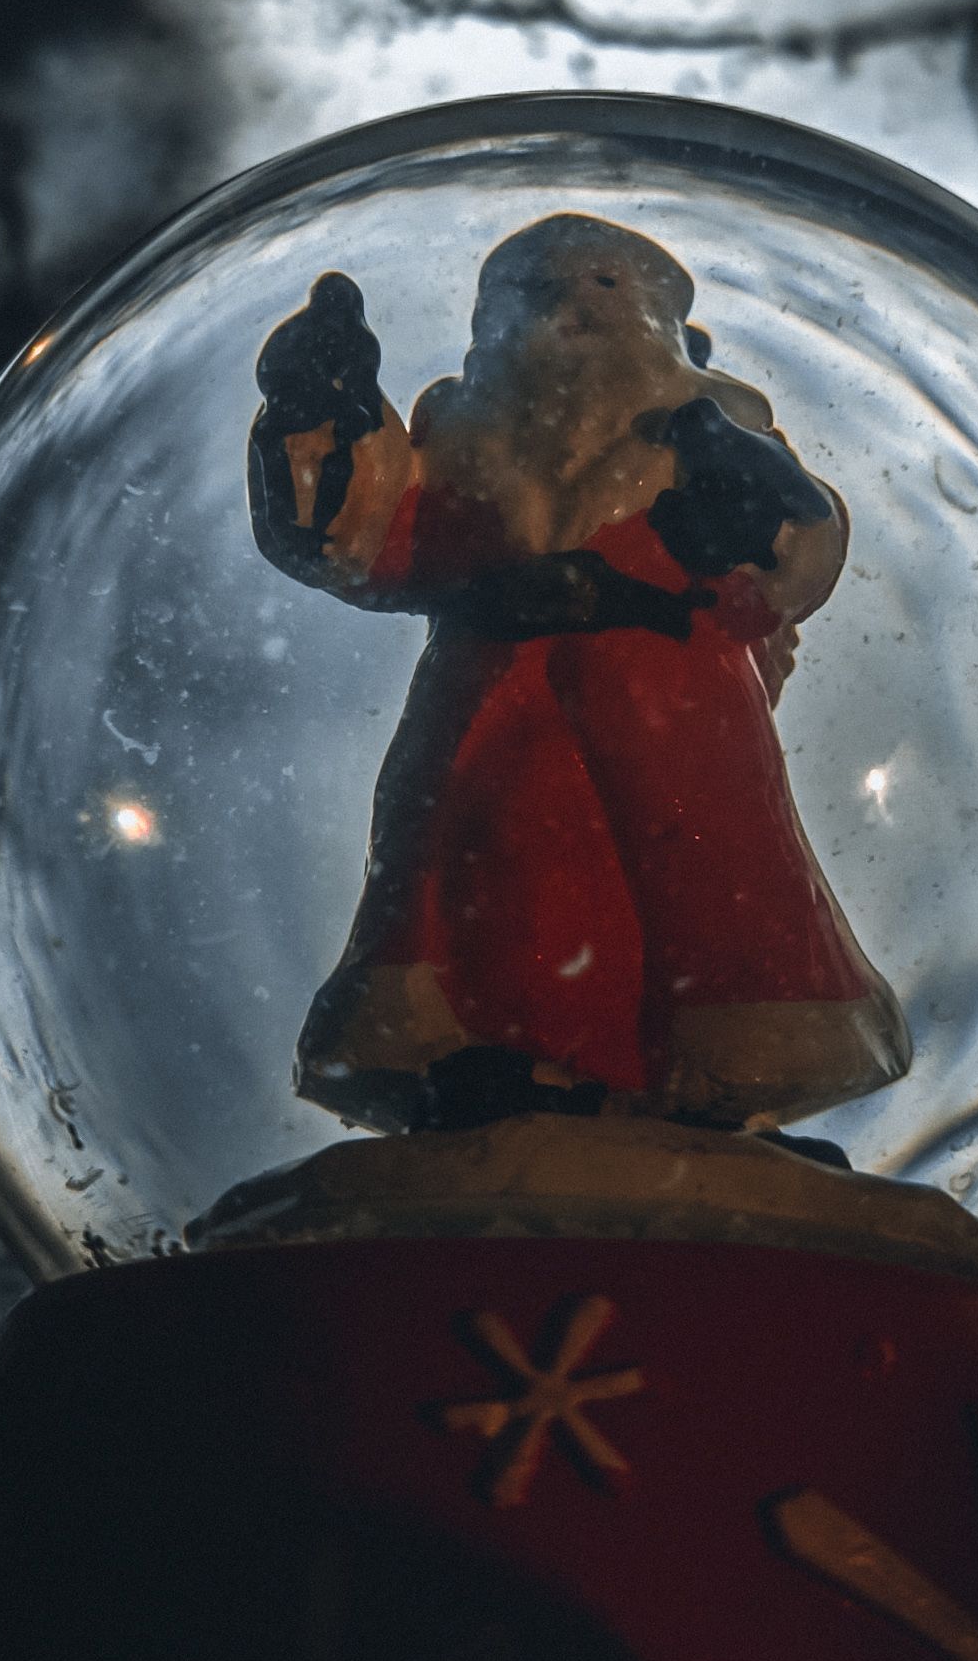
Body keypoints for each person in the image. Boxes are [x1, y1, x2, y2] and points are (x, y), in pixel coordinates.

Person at [249, 217, 906, 1132]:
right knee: (476, 877)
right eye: (535, 289)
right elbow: (370, 542)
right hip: (488, 706)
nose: (571, 307)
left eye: (604, 284)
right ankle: (465, 1052)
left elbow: (790, 565)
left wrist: (767, 522)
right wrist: (321, 414)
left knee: (706, 874)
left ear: (663, 323)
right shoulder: (460, 446)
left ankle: (733, 1057)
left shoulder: (711, 439)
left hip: (675, 711)